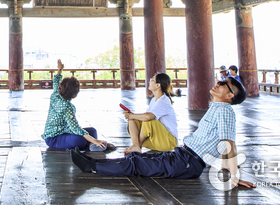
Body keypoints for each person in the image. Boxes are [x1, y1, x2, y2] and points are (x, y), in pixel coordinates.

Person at [70, 77, 256, 191]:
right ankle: (94, 163)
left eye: (224, 84)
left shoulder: (224, 110)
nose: (219, 83)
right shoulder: (217, 107)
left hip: (188, 163)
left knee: (137, 164)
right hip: (183, 155)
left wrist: (233, 176)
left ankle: (93, 167)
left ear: (230, 95)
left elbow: (228, 143)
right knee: (137, 159)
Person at [42, 59, 111, 152]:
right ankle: (93, 144)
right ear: (75, 94)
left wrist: (60, 69)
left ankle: (94, 144)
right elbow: (76, 128)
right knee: (80, 139)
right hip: (54, 138)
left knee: (92, 131)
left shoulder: (56, 94)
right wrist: (94, 140)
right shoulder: (67, 107)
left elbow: (56, 80)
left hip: (65, 132)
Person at [123, 73, 178, 154]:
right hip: (158, 141)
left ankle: (138, 145)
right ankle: (136, 145)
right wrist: (131, 116)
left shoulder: (164, 101)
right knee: (133, 119)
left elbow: (148, 117)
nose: (149, 81)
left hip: (169, 143)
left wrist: (132, 115)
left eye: (152, 80)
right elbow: (145, 115)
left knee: (148, 120)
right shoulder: (154, 100)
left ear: (158, 85)